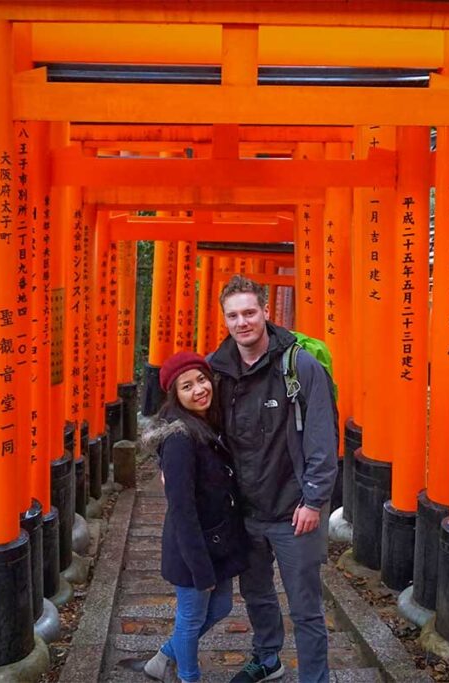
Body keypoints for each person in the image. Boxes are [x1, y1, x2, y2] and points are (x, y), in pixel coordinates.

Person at [208, 275, 338, 683]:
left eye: (249, 312)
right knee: (258, 593)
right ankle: (267, 657)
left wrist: (314, 500)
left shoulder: (299, 365)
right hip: (245, 510)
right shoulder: (217, 368)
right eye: (233, 315)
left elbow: (321, 435)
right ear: (225, 319)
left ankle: (314, 677)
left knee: (305, 606)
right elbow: (196, 424)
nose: (242, 322)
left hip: (293, 508)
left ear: (266, 311)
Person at [141, 351, 249, 683]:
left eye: (202, 380)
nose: (199, 389)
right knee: (190, 618)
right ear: (175, 395)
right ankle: (188, 677)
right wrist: (200, 567)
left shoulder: (206, 422)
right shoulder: (179, 438)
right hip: (193, 547)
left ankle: (163, 658)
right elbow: (182, 510)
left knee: (221, 608)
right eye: (187, 386)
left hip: (218, 540)